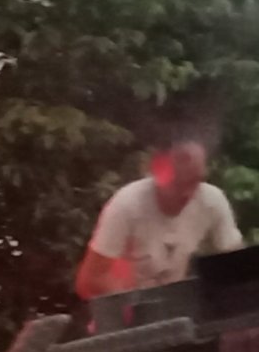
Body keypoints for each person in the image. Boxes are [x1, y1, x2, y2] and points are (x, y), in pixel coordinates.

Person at [74, 128, 244, 299]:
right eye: (179, 183)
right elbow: (89, 280)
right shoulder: (126, 205)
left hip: (176, 305)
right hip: (128, 306)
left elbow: (238, 266)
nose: (187, 194)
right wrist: (136, 302)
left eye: (195, 182)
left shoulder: (212, 201)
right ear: (158, 172)